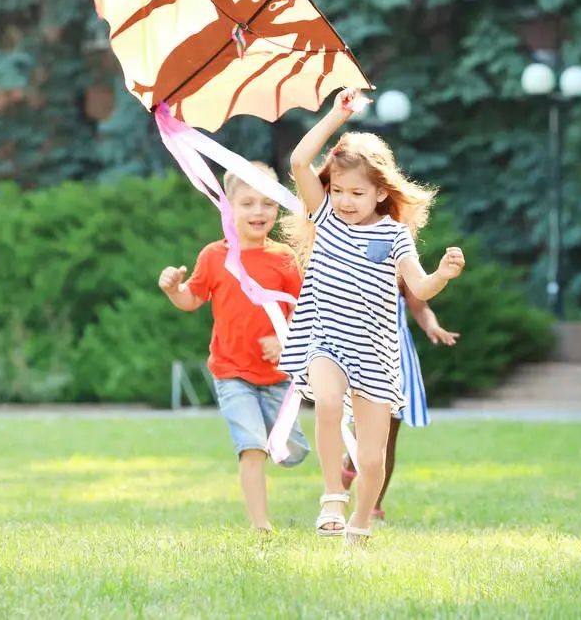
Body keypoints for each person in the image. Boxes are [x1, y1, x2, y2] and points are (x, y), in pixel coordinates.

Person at [279, 87, 465, 544]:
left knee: (373, 455)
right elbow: (300, 163)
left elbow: (418, 287)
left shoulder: (395, 236)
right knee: (324, 403)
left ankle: (361, 523)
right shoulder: (325, 218)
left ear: (381, 192)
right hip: (326, 339)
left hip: (375, 354)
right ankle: (331, 498)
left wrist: (441, 274)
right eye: (337, 190)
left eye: (356, 193)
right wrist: (334, 117)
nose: (344, 200)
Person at [158, 162, 309, 531]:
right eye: (247, 203)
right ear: (228, 206)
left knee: (294, 452)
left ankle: (278, 447)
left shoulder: (286, 258)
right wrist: (172, 289)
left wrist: (284, 339)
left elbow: (307, 310)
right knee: (252, 447)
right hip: (231, 373)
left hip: (278, 377)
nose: (258, 211)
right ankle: (262, 526)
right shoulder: (214, 256)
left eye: (267, 203)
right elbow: (191, 299)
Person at [340, 278, 459, 521]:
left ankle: (374, 505)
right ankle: (342, 482)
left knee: (388, 436)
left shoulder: (402, 266)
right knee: (363, 433)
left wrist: (432, 327)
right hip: (362, 354)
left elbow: (420, 307)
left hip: (396, 358)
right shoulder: (351, 256)